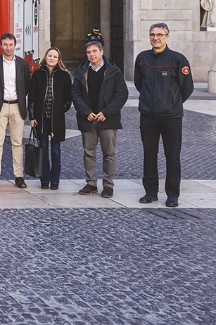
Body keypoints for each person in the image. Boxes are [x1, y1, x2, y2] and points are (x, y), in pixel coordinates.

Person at [134, 23, 194, 207]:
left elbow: (187, 87)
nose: (156, 38)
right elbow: (139, 83)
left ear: (167, 37)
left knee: (172, 156)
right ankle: (150, 192)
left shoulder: (178, 59)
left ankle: (172, 194)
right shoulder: (142, 58)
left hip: (171, 117)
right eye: (152, 34)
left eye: (160, 34)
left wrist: (172, 102)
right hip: (148, 116)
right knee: (149, 155)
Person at [72, 41, 128, 198]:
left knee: (109, 153)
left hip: (107, 119)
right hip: (88, 118)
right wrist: (86, 112)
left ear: (101, 52)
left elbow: (121, 94)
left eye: (94, 51)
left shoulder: (113, 71)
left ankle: (108, 185)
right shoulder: (81, 71)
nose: (91, 54)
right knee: (88, 152)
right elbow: (75, 94)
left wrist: (106, 112)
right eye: (89, 52)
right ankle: (91, 183)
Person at [0, 33, 32, 188]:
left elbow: (26, 86)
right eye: (5, 44)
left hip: (17, 106)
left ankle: (19, 176)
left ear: (15, 45)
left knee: (17, 142)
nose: (8, 47)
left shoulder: (23, 64)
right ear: (1, 46)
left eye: (10, 44)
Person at [28, 47, 73, 190]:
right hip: (41, 118)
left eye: (55, 56)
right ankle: (44, 179)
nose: (52, 58)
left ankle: (55, 180)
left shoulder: (64, 76)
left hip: (56, 119)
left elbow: (68, 97)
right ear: (45, 57)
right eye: (49, 56)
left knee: (56, 149)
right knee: (43, 148)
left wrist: (62, 108)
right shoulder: (37, 74)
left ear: (59, 59)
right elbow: (32, 97)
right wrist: (32, 116)